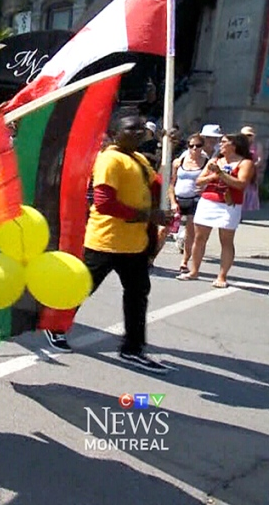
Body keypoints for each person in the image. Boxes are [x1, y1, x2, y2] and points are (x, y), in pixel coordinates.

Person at [47, 113, 170, 373]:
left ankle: (132, 348)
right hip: (106, 241)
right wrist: (148, 215)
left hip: (134, 243)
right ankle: (55, 325)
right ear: (115, 133)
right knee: (81, 288)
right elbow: (104, 202)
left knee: (137, 295)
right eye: (131, 128)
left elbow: (154, 185)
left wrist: (166, 152)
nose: (138, 131)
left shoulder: (136, 159)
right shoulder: (110, 159)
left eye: (141, 128)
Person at [181, 133, 255, 287]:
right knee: (199, 238)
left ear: (234, 145)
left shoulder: (245, 163)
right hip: (208, 200)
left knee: (226, 240)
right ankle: (194, 271)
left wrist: (221, 174)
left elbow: (241, 184)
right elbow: (199, 180)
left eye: (223, 142)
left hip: (229, 204)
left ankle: (222, 276)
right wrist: (213, 176)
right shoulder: (215, 161)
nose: (220, 145)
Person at [168, 133, 209, 272]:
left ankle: (184, 261)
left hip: (195, 200)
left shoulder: (206, 162)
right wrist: (173, 201)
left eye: (198, 146)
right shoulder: (180, 161)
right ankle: (150, 258)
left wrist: (204, 190)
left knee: (190, 233)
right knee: (163, 230)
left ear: (202, 147)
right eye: (191, 146)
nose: (194, 149)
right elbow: (172, 183)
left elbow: (211, 181)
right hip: (179, 198)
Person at [240, 125, 263, 211]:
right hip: (240, 170)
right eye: (245, 135)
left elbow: (260, 159)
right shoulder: (239, 145)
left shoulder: (257, 145)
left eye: (250, 135)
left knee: (248, 192)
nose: (247, 137)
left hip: (251, 172)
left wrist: (253, 166)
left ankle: (243, 210)